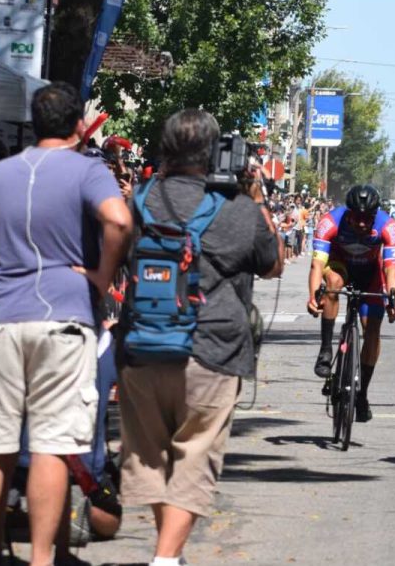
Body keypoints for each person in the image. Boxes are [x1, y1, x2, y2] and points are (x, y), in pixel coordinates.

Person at [0, 83, 133, 566]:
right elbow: (119, 221)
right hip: (62, 317)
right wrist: (102, 277)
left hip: (0, 318)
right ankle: (42, 558)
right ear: (79, 127)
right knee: (50, 443)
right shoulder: (88, 171)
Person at [114, 109, 281, 566]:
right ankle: (166, 559)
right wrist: (257, 197)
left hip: (142, 347)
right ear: (215, 153)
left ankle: (168, 552)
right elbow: (273, 263)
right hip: (212, 351)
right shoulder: (238, 208)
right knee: (195, 456)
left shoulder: (139, 199)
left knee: (149, 455)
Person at [307, 185, 395, 423]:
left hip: (371, 273)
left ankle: (362, 394)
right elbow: (317, 265)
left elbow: (391, 270)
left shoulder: (388, 226)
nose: (362, 224)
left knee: (372, 330)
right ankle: (326, 349)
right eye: (357, 218)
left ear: (375, 214)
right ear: (347, 213)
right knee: (333, 282)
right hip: (340, 265)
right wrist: (312, 296)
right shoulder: (329, 222)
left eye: (367, 219)